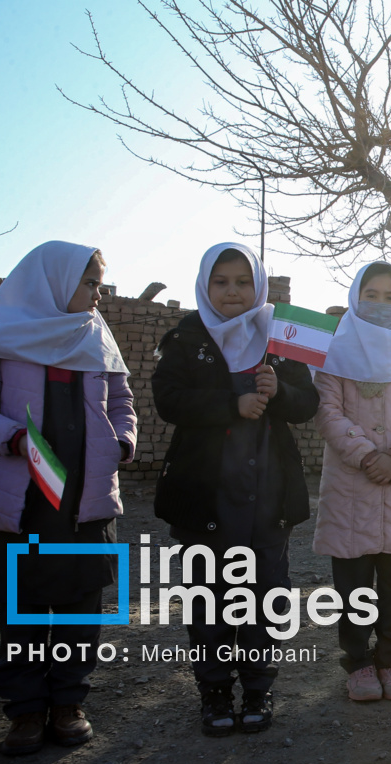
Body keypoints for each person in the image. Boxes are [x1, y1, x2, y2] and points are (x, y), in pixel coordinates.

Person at [153, 243, 319, 735]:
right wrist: (234, 401)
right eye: (221, 282)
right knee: (210, 596)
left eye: (243, 282)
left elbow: (307, 403)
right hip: (206, 495)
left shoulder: (279, 336)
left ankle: (257, 688)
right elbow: (168, 400)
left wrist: (278, 391)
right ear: (205, 285)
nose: (232, 292)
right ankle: (215, 692)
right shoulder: (185, 337)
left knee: (265, 594)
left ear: (259, 286)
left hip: (269, 495)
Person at [0, 241, 135, 756]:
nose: (96, 294)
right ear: (53, 283)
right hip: (25, 500)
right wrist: (13, 438)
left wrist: (124, 442)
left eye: (98, 284)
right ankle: (25, 712)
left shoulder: (99, 339)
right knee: (22, 608)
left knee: (79, 608)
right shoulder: (3, 341)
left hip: (84, 500)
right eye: (88, 284)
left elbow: (122, 400)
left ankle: (68, 702)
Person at [312, 263, 391, 702]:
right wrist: (367, 454)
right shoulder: (335, 353)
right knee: (352, 588)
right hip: (352, 488)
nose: (382, 304)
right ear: (355, 296)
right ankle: (359, 664)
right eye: (372, 294)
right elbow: (327, 412)